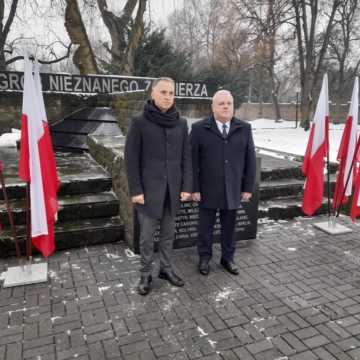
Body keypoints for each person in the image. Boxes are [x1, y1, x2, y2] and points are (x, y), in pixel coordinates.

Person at [125, 77, 192, 295]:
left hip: (172, 191)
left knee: (168, 234)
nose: (167, 97)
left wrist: (186, 186)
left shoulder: (181, 123)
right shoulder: (139, 121)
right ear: (153, 93)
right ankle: (145, 273)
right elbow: (131, 159)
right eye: (163, 92)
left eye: (171, 93)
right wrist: (135, 190)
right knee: (146, 237)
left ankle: (165, 268)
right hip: (148, 192)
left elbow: (186, 158)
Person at [190, 89, 256, 276]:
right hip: (207, 189)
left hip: (233, 189)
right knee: (205, 228)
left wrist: (248, 187)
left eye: (229, 103)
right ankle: (204, 259)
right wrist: (194, 188)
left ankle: (228, 258)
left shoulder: (244, 128)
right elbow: (192, 161)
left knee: (229, 228)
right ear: (213, 107)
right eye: (221, 103)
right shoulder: (199, 129)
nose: (226, 106)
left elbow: (250, 160)